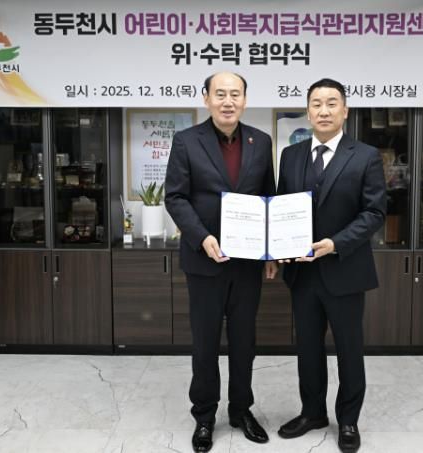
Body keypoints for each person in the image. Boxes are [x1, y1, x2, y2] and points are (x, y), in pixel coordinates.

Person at [165, 71, 277, 452]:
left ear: (245, 99)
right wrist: (202, 237)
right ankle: (204, 416)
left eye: (235, 94)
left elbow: (268, 197)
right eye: (220, 94)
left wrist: (269, 251)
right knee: (205, 343)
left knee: (245, 342)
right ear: (206, 98)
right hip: (205, 262)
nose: (228, 101)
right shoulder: (186, 141)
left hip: (247, 264)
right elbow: (175, 197)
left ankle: (241, 410)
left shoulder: (261, 141)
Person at [276, 78, 387, 453]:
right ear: (308, 112)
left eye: (331, 103)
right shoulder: (290, 155)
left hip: (345, 269)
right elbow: (281, 207)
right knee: (307, 348)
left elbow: (374, 212)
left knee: (349, 350)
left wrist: (335, 243)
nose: (323, 110)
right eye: (316, 104)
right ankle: (312, 413)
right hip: (302, 273)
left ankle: (349, 419)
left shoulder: (366, 155)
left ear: (345, 110)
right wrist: (277, 248)